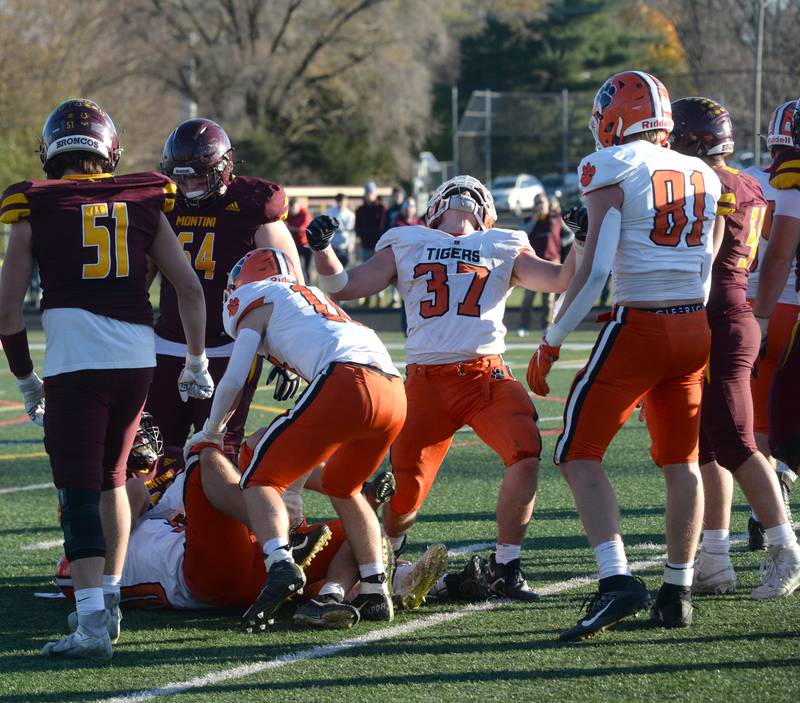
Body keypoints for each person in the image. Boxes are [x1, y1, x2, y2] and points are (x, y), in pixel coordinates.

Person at [0, 99, 210, 660]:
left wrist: (24, 379)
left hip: (77, 360)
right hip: (136, 357)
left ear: (52, 152)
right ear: (108, 150)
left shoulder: (34, 206)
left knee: (77, 486)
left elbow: (6, 313)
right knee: (114, 478)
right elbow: (188, 288)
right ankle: (108, 601)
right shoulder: (143, 199)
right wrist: (195, 363)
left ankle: (91, 620)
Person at [307, 174, 576, 602]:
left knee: (525, 448)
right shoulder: (407, 240)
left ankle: (506, 566)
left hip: (485, 376)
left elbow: (560, 279)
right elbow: (346, 287)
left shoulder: (502, 243)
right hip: (426, 383)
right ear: (432, 211)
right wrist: (322, 250)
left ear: (486, 214)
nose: (462, 193)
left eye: (472, 194)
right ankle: (388, 563)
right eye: (452, 194)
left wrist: (578, 239)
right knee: (405, 490)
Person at [527, 72, 721, 639]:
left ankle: (616, 582)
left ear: (616, 116)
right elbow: (706, 263)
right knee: (681, 463)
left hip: (640, 325)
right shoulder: (702, 172)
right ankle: (677, 591)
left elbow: (593, 273)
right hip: (693, 325)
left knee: (576, 453)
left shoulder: (612, 165)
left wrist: (551, 340)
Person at [185, 247, 406, 628]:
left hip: (348, 381)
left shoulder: (257, 296)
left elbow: (235, 379)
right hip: (394, 392)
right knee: (344, 486)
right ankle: (374, 589)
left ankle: (280, 562)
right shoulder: (310, 296)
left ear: (247, 280)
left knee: (259, 476)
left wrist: (211, 432)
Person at [669, 97, 799, 600]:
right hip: (729, 312)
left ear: (688, 140)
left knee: (740, 443)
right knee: (708, 447)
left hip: (719, 317)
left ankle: (785, 548)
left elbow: (704, 255)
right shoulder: (747, 182)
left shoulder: (709, 184)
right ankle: (715, 559)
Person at [149, 118, 302, 465]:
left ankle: (218, 518)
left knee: (218, 450)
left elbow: (292, 286)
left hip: (233, 347)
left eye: (196, 175)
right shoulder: (165, 206)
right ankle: (164, 517)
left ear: (222, 168)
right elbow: (141, 278)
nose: (186, 184)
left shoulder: (254, 209)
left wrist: (289, 355)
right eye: (180, 174)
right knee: (156, 449)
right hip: (170, 342)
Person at [744, 100, 800, 549]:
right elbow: (781, 253)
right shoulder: (788, 184)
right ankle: (780, 483)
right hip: (784, 305)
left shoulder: (751, 178)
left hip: (755, 304)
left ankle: (766, 510)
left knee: (759, 419)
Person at [518, 192, 563, 334]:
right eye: (537, 203)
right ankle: (524, 326)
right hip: (533, 262)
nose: (539, 206)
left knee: (548, 299)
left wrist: (560, 244)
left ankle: (546, 326)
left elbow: (570, 233)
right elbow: (522, 234)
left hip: (551, 261)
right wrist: (534, 220)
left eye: (542, 202)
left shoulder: (556, 218)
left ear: (548, 204)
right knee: (528, 298)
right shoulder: (530, 220)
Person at [354, 181, 386, 307]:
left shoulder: (381, 208)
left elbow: (382, 226)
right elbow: (358, 227)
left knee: (380, 273)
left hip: (379, 246)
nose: (369, 195)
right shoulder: (360, 210)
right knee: (366, 273)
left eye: (371, 193)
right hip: (366, 245)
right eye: (367, 193)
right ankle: (367, 299)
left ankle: (380, 299)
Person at [324, 193, 356, 268]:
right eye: (339, 201)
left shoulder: (350, 215)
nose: (341, 203)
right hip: (332, 245)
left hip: (344, 246)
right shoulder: (330, 212)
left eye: (343, 201)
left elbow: (351, 233)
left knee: (344, 268)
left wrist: (351, 247)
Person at [285, 196, 313, 283]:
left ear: (298, 206)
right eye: (291, 208)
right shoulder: (289, 214)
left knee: (307, 268)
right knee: (294, 267)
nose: (292, 210)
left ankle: (309, 286)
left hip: (306, 244)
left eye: (294, 208)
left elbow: (301, 228)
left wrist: (288, 227)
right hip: (295, 245)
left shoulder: (305, 213)